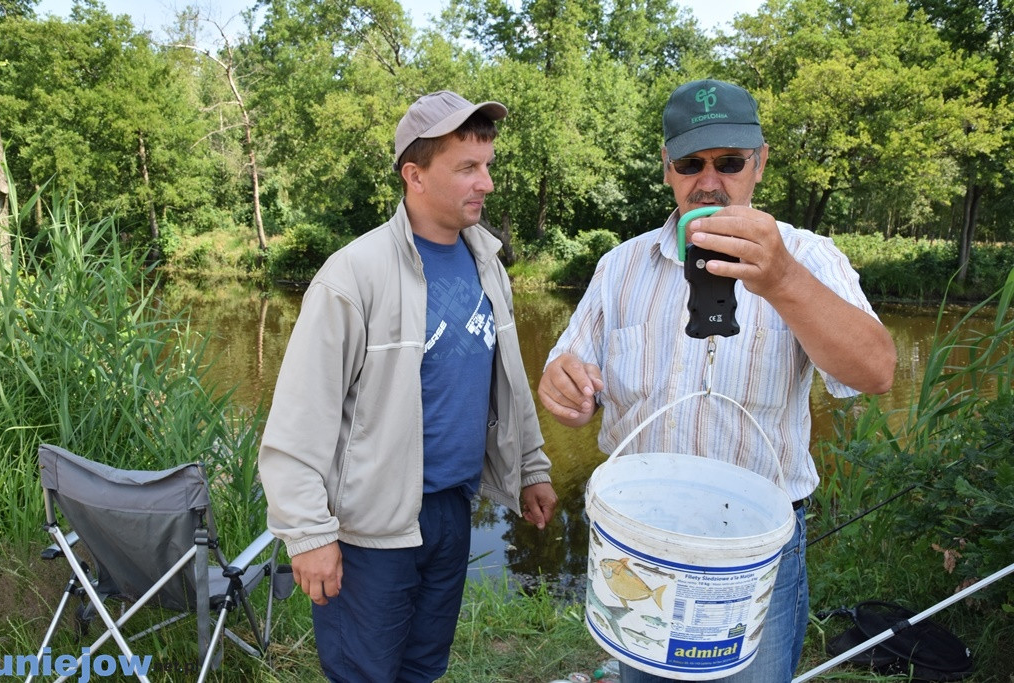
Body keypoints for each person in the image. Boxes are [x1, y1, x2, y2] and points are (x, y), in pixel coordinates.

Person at [538, 79, 896, 682]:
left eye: (729, 162)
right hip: (643, 542)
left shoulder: (807, 258)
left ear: (759, 162)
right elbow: (567, 374)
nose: (709, 181)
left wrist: (782, 280)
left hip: (757, 551)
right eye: (690, 163)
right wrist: (565, 389)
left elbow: (877, 372)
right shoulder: (619, 266)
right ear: (666, 167)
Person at [259, 90, 558, 683]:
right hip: (370, 528)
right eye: (468, 168)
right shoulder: (353, 275)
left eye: (488, 165)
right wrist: (308, 534)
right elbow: (299, 417)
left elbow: (507, 381)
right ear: (414, 175)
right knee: (366, 673)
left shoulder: (487, 263)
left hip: (451, 508)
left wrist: (530, 466)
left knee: (424, 667)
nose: (487, 183)